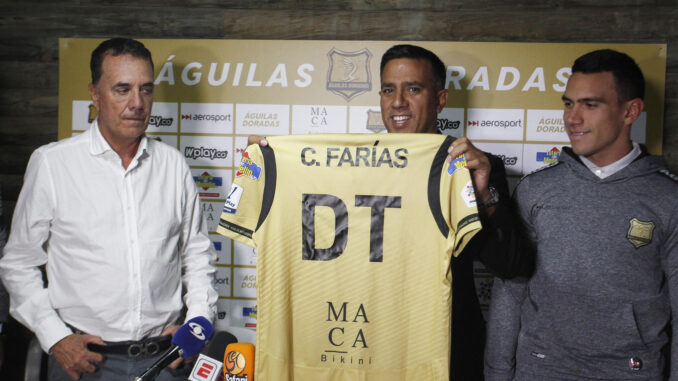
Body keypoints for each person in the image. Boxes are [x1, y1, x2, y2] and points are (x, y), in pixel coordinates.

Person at [250, 44, 532, 381]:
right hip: (363, 348)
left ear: (440, 99)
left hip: (441, 351)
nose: (398, 102)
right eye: (388, 90)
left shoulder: (470, 166)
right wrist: (267, 164)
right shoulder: (346, 166)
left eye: (413, 89)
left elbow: (511, 265)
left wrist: (484, 192)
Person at [0, 38, 217, 381]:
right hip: (84, 362)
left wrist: (198, 322)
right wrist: (55, 337)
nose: (137, 103)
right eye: (122, 89)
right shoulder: (53, 164)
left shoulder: (172, 165)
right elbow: (18, 264)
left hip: (166, 360)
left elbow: (197, 253)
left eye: (146, 89)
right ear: (94, 93)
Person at [484, 49, 678, 381]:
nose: (572, 118)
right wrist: (497, 374)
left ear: (630, 111)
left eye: (590, 105)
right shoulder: (535, 190)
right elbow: (510, 291)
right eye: (568, 103)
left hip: (631, 372)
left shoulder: (668, 199)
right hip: (540, 369)